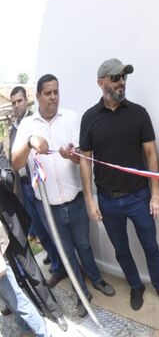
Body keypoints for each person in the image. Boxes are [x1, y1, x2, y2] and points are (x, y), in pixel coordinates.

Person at [12, 74, 115, 318]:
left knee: (84, 245)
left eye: (56, 92)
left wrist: (73, 155)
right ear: (38, 96)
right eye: (48, 93)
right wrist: (30, 141)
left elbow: (82, 157)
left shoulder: (71, 118)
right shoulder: (27, 126)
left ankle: (96, 279)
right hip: (48, 207)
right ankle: (82, 294)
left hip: (75, 199)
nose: (53, 97)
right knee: (67, 252)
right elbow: (16, 163)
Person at [79, 58, 159, 312]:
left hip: (139, 197)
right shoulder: (89, 118)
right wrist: (90, 199)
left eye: (124, 77)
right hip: (107, 200)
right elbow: (85, 161)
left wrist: (156, 194)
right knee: (121, 250)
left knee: (151, 247)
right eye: (115, 78)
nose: (121, 82)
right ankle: (136, 286)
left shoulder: (138, 113)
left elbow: (151, 154)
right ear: (101, 82)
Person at [0, 144, 68, 332]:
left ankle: (55, 312)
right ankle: (35, 313)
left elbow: (9, 180)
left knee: (32, 271)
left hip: (11, 224)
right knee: (13, 277)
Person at [9, 86, 62, 283]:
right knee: (38, 229)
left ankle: (60, 265)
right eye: (13, 103)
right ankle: (55, 260)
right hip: (24, 186)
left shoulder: (35, 123)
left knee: (49, 227)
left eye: (19, 101)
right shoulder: (13, 129)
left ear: (27, 101)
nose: (16, 105)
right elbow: (13, 160)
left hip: (39, 185)